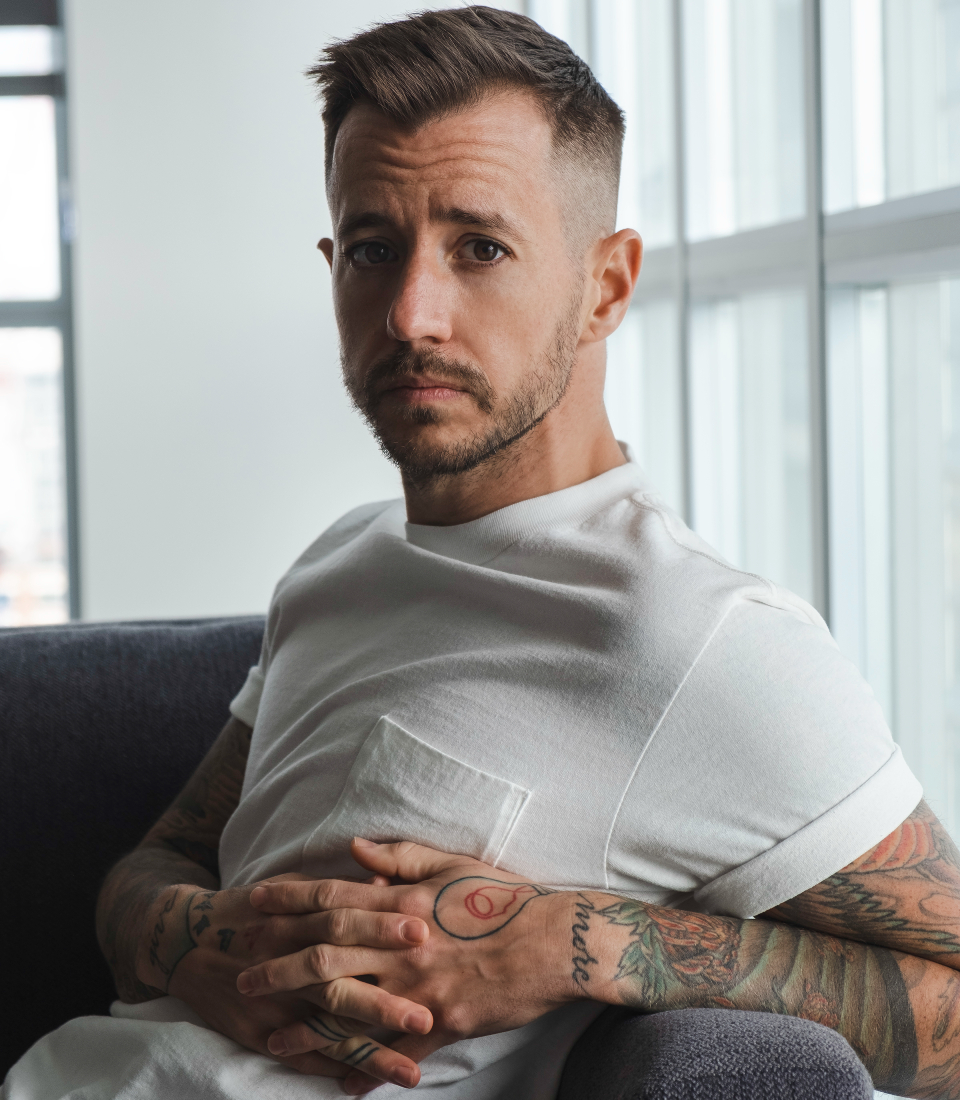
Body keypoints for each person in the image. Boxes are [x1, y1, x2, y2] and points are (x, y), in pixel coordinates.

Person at [6, 6, 960, 1099]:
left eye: (481, 247)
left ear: (605, 283)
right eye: (372, 249)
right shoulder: (339, 563)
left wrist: (575, 943)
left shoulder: (705, 642)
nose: (413, 312)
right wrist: (202, 942)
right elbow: (154, 860)